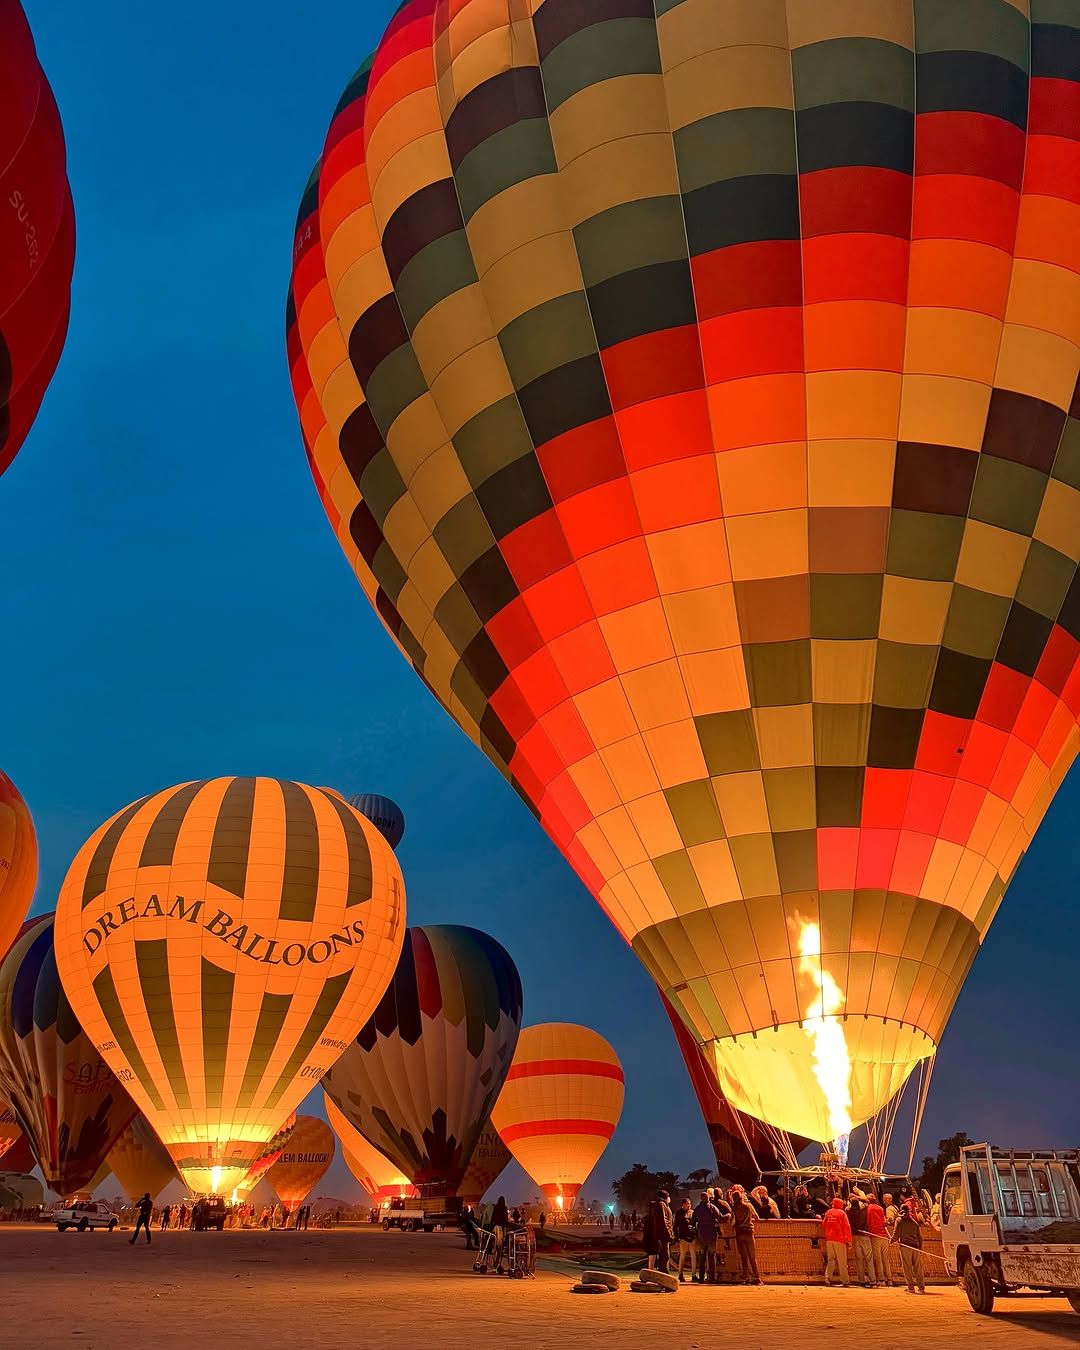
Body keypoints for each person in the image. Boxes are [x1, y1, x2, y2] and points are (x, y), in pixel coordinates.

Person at [891, 1200, 926, 1293]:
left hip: (905, 1246)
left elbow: (896, 1233)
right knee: (918, 1268)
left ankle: (911, 1287)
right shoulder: (914, 1222)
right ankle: (921, 1287)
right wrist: (920, 1248)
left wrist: (892, 1240)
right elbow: (920, 1237)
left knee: (907, 1267)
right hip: (915, 1247)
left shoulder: (899, 1220)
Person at [730, 1186, 761, 1285]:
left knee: (744, 1257)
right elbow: (757, 1217)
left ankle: (746, 1277)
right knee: (752, 1256)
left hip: (739, 1233)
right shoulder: (748, 1206)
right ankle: (757, 1278)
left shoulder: (734, 1208)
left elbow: (732, 1223)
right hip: (749, 1232)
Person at [821, 1197, 851, 1286]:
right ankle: (845, 1281)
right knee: (842, 1261)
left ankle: (827, 1279)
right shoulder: (842, 1213)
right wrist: (849, 1240)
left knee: (831, 1260)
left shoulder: (828, 1212)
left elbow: (824, 1225)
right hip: (840, 1240)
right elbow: (847, 1227)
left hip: (829, 1239)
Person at [866, 1192, 894, 1287]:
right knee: (885, 1258)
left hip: (875, 1235)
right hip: (884, 1235)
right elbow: (884, 1221)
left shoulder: (868, 1208)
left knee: (877, 1258)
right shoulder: (881, 1208)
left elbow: (868, 1221)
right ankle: (889, 1279)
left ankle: (881, 1279)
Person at [692, 1191, 721, 1283]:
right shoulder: (712, 1207)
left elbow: (693, 1221)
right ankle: (712, 1278)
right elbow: (719, 1216)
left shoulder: (697, 1209)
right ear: (708, 1198)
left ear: (701, 1198)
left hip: (701, 1235)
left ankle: (701, 1278)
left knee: (702, 1257)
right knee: (711, 1257)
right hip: (711, 1234)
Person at [848, 1192, 874, 1287]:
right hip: (865, 1235)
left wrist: (851, 1199)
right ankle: (872, 1280)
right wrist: (858, 1196)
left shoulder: (848, 1211)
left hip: (855, 1236)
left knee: (859, 1259)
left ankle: (861, 1280)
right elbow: (867, 1201)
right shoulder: (863, 1209)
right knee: (869, 1259)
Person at [643, 1189, 674, 1272]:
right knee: (665, 1255)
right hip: (664, 1235)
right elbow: (664, 1221)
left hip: (663, 1234)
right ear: (666, 1197)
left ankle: (664, 1273)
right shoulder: (661, 1205)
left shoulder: (663, 1205)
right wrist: (669, 1234)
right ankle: (664, 1275)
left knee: (664, 1255)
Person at [672, 1199, 696, 1283]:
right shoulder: (679, 1213)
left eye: (690, 1204)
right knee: (682, 1256)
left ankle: (693, 1275)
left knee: (693, 1256)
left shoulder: (692, 1212)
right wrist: (676, 1237)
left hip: (692, 1238)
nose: (689, 1205)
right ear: (683, 1205)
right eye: (687, 1204)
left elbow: (695, 1223)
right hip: (683, 1238)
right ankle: (680, 1274)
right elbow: (675, 1226)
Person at [491, 1196, 510, 1274]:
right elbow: (505, 1219)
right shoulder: (504, 1208)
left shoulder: (496, 1207)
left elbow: (492, 1217)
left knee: (495, 1245)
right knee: (500, 1245)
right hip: (501, 1228)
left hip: (495, 1227)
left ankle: (494, 1262)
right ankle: (497, 1262)